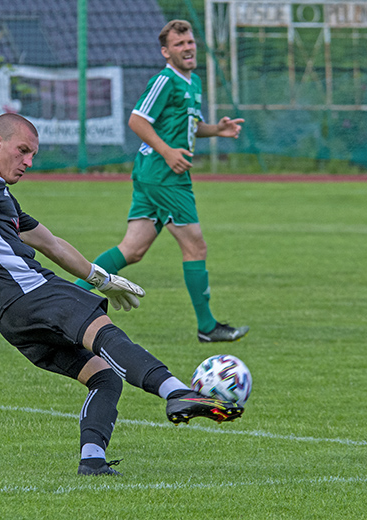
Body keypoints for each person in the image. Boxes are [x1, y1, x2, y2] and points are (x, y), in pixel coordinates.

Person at [0, 113, 243, 477]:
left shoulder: (0, 196)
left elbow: (51, 243)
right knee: (104, 333)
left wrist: (102, 278)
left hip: (12, 320)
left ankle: (93, 461)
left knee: (104, 377)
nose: (28, 162)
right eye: (23, 151)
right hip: (33, 292)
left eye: (33, 155)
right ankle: (177, 392)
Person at [74, 20, 249, 343]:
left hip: (157, 174)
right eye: (179, 44)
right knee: (195, 246)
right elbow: (137, 120)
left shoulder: (193, 82)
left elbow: (188, 126)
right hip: (164, 175)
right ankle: (207, 327)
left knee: (132, 250)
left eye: (190, 42)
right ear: (166, 52)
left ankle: (69, 299)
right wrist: (167, 152)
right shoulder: (165, 80)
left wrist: (216, 130)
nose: (188, 48)